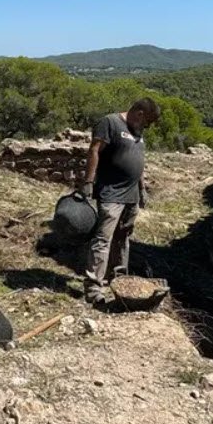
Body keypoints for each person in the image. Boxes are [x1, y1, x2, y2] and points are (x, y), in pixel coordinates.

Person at [79, 98, 161, 304]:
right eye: (147, 122)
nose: (147, 127)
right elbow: (94, 150)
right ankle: (93, 288)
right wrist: (88, 181)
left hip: (131, 195)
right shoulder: (110, 123)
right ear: (139, 113)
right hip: (111, 193)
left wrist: (142, 188)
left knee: (123, 238)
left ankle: (119, 281)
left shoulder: (137, 131)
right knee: (102, 240)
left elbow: (137, 160)